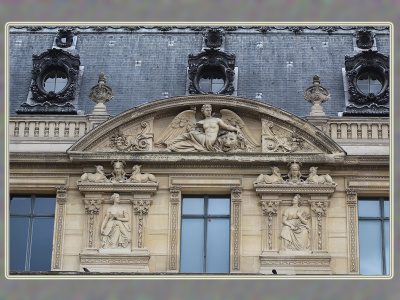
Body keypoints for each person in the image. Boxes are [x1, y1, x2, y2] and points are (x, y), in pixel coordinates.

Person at [165, 104, 240, 152]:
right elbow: (195, 129)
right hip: (203, 139)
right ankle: (172, 147)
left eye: (210, 110)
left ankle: (172, 141)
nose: (208, 112)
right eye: (207, 110)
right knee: (189, 143)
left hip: (210, 140)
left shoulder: (216, 120)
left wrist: (236, 129)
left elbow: (227, 126)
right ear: (203, 111)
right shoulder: (201, 122)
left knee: (190, 134)